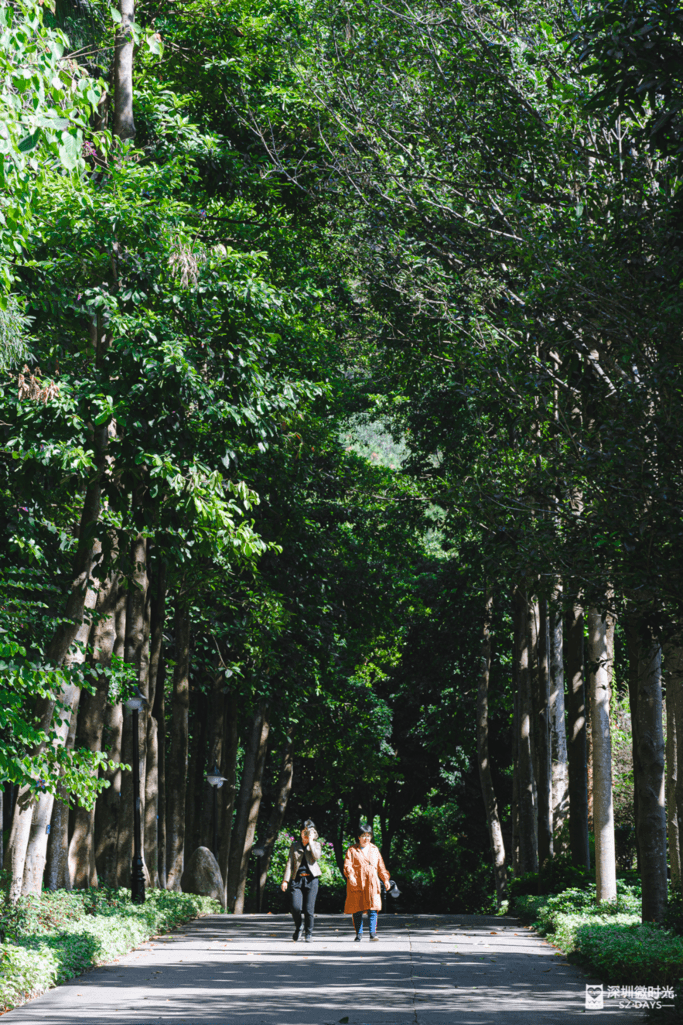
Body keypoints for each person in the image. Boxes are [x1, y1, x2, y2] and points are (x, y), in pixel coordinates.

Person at [343, 824, 390, 941]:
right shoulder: (352, 850)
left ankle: (373, 933)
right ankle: (358, 934)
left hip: (372, 883)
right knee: (357, 909)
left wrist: (386, 879)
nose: (366, 838)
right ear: (359, 837)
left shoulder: (375, 850)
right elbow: (347, 865)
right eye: (364, 835)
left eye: (368, 836)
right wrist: (351, 876)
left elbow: (381, 867)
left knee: (373, 908)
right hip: (357, 883)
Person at [281, 819, 322, 942]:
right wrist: (285, 881)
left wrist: (310, 842)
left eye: (309, 832)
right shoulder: (295, 846)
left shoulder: (316, 845)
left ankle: (308, 933)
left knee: (309, 909)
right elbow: (290, 863)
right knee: (295, 907)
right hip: (297, 879)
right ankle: (299, 926)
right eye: (304, 831)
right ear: (300, 832)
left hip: (311, 880)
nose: (306, 834)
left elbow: (316, 856)